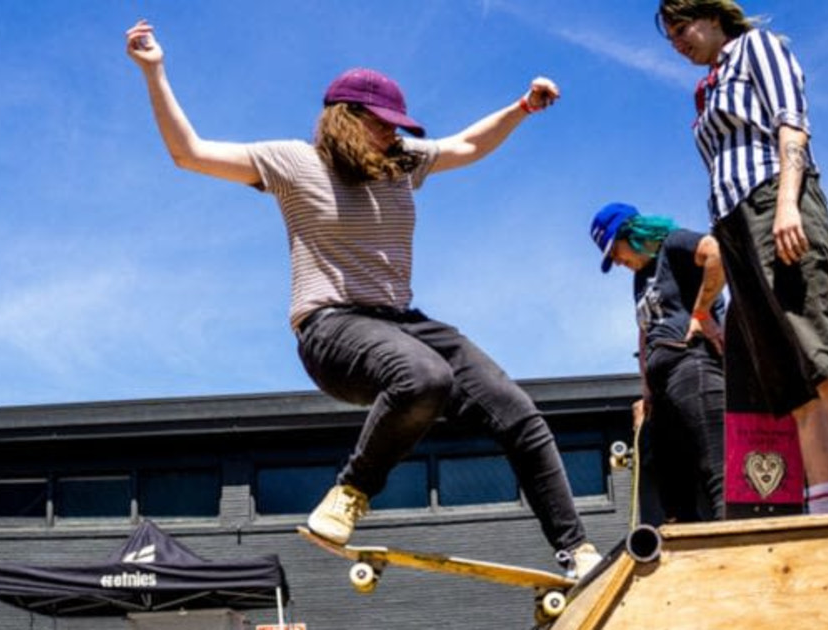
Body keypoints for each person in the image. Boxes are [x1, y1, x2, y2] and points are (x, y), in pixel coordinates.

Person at [125, 19, 601, 577]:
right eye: (383, 127)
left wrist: (520, 108)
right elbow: (190, 152)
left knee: (516, 411)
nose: (393, 137)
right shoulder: (293, 162)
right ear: (347, 120)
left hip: (400, 323)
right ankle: (350, 493)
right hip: (329, 329)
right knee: (424, 378)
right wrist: (155, 71)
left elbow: (467, 144)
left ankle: (577, 551)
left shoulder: (401, 163)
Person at [657, 0, 828, 513]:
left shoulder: (756, 47)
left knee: (821, 358)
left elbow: (792, 125)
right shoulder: (709, 86)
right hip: (732, 223)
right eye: (669, 35)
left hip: (772, 202)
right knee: (789, 380)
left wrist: (788, 206)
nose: (676, 41)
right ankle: (827, 514)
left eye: (681, 26)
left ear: (713, 16)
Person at [591, 203, 726, 523]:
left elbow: (717, 253)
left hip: (691, 363)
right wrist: (646, 390)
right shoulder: (640, 278)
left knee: (718, 468)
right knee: (672, 488)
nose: (617, 261)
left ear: (632, 233)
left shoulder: (674, 243)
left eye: (615, 251)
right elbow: (644, 330)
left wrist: (701, 312)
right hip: (662, 386)